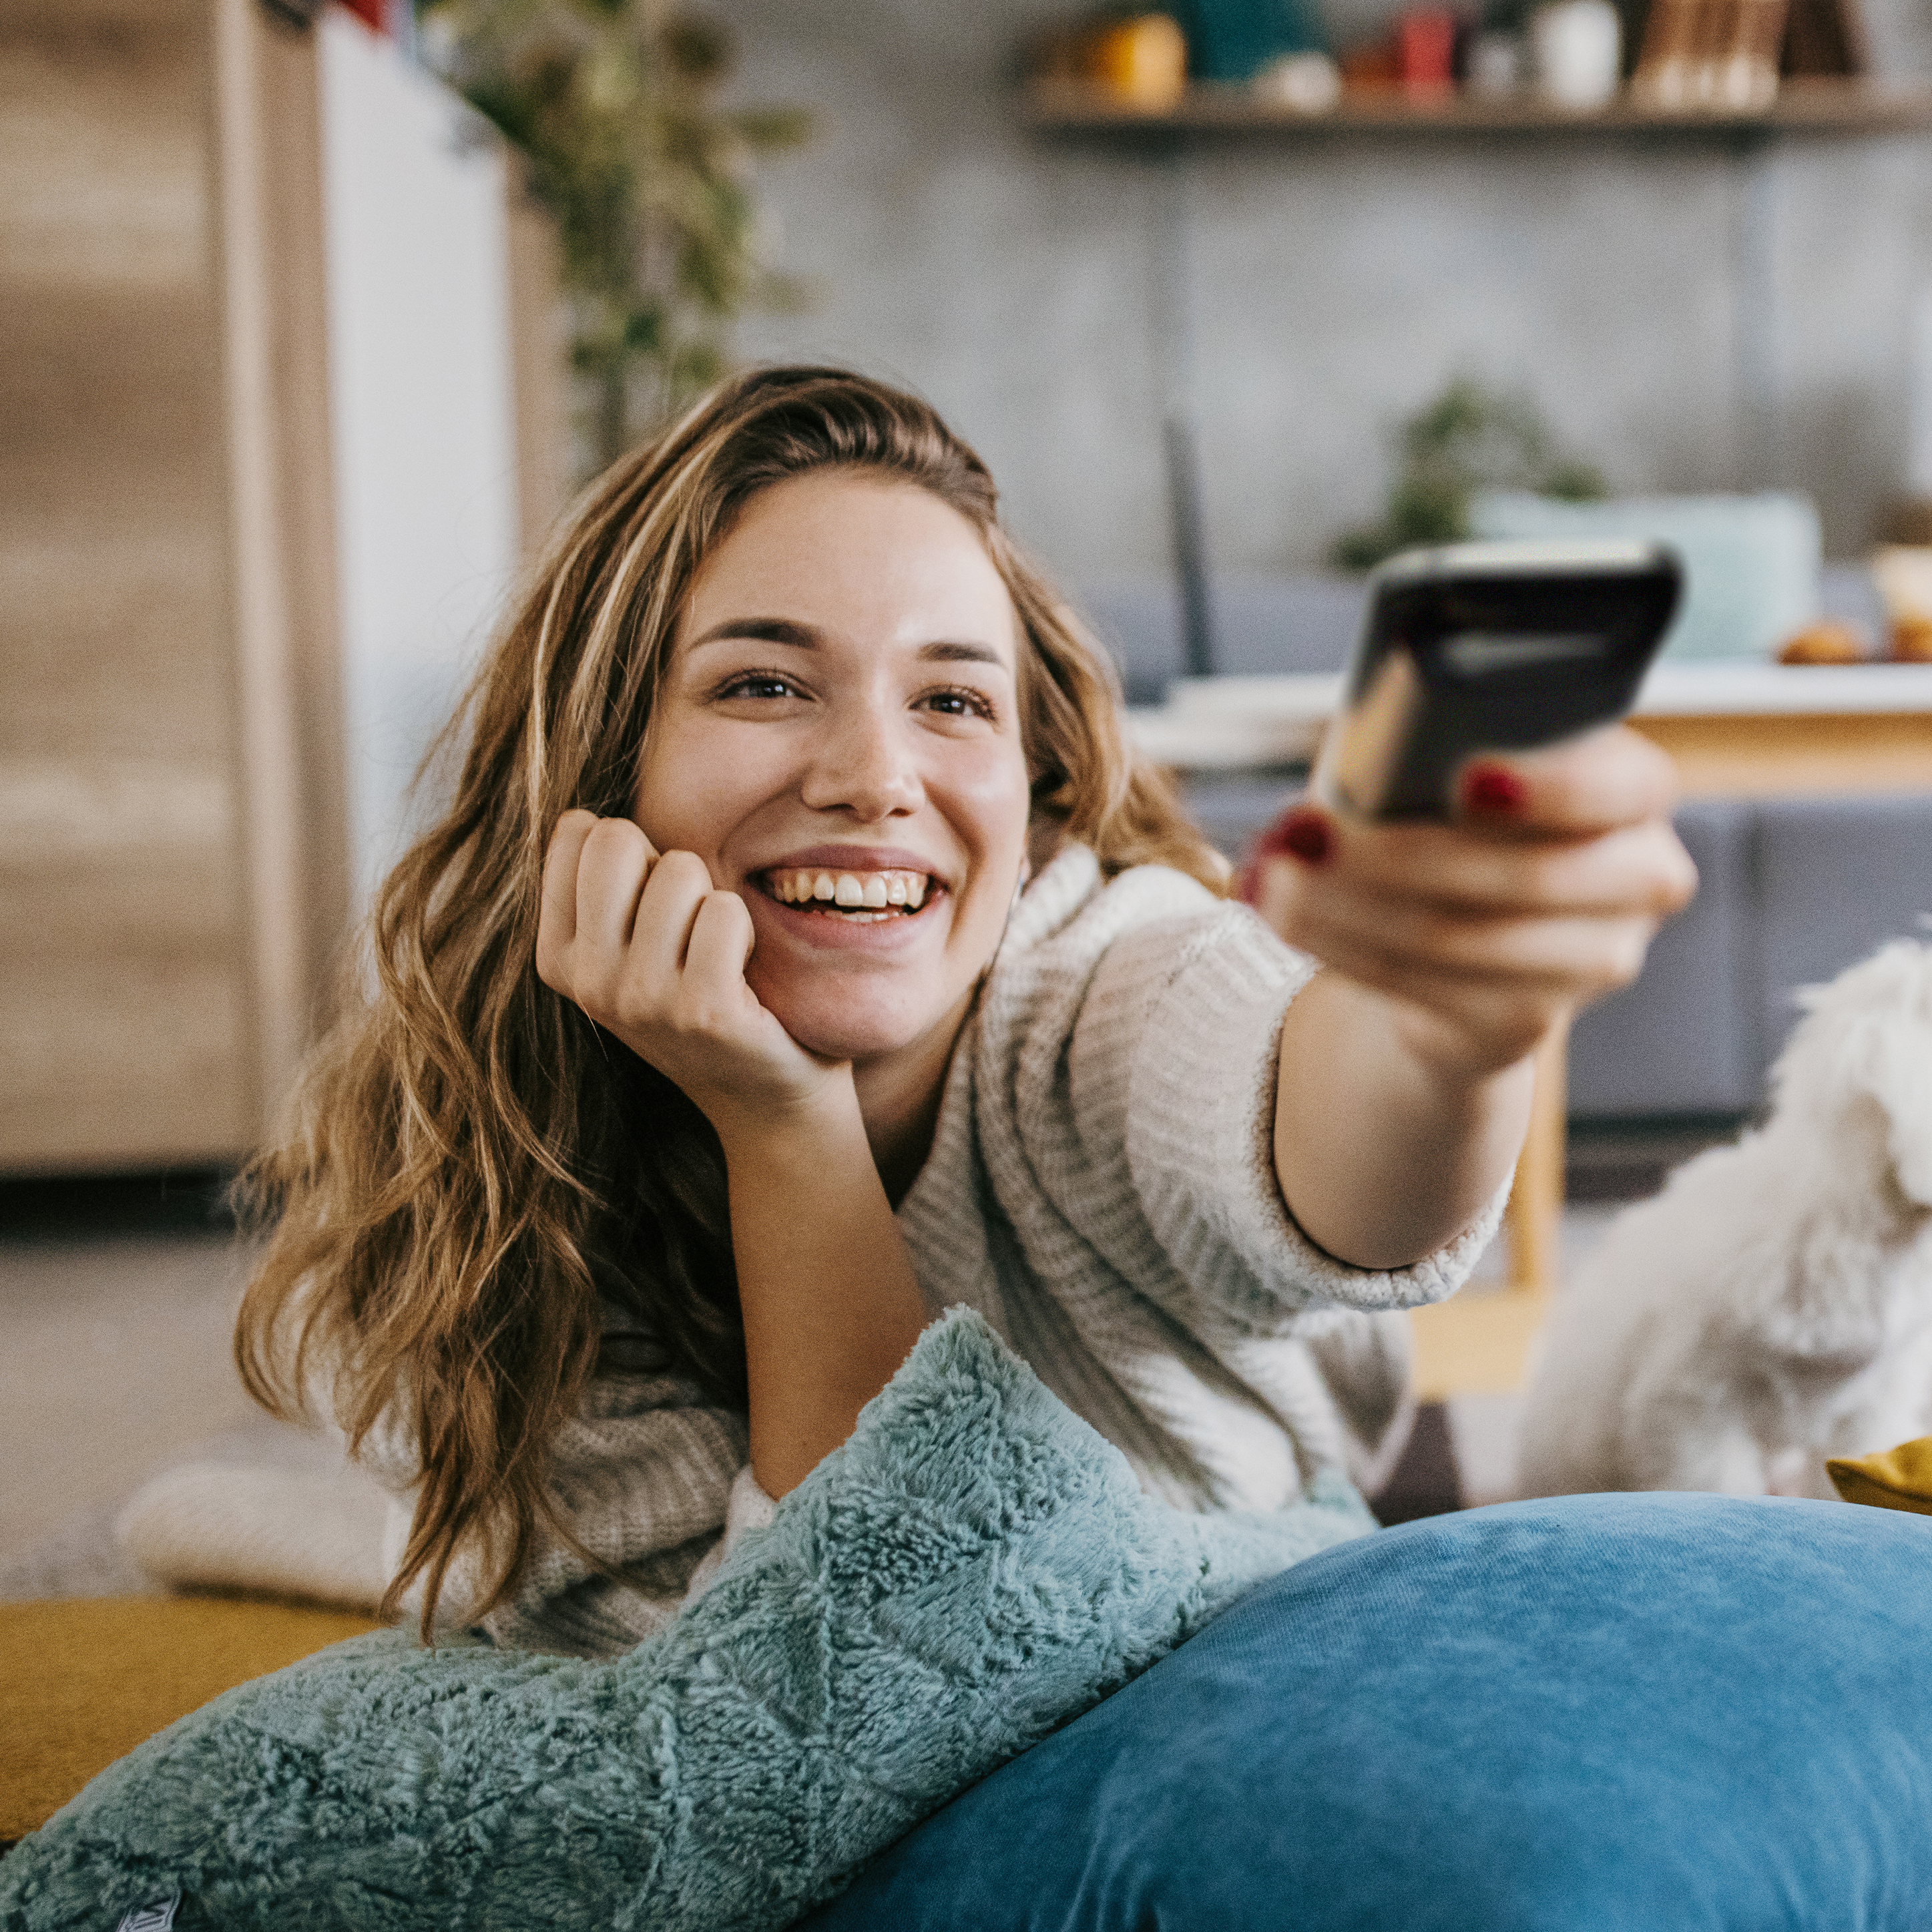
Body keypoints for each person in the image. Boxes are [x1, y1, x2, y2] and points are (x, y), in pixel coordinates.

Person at [236, 367, 1695, 1657]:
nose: (874, 775)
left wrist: (1445, 1027)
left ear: (1039, 783)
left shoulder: (1095, 980)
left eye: (952, 703)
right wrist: (782, 1119)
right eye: (762, 681)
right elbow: (838, 1672)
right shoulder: (502, 1174)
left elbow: (1302, 1120)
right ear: (595, 774)